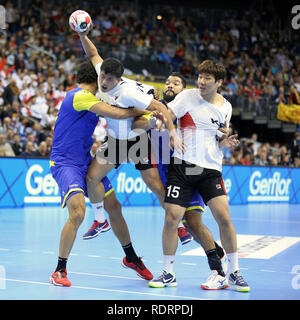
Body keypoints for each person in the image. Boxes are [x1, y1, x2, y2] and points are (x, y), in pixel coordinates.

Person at [76, 27, 188, 245]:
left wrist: (172, 133)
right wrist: (83, 36)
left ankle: (180, 227)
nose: (104, 82)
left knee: (155, 186)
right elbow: (93, 55)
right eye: (102, 76)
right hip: (116, 142)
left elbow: (161, 107)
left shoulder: (128, 92)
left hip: (137, 140)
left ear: (119, 80)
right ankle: (100, 220)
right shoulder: (102, 74)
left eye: (109, 79)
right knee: (91, 178)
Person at [49, 60, 154, 287]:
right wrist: (149, 107)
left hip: (84, 159)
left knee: (114, 207)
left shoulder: (95, 98)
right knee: (77, 213)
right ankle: (59, 270)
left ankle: (132, 258)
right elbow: (116, 114)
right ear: (97, 79)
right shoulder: (80, 96)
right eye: (103, 77)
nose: (106, 81)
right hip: (65, 164)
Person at [148, 60, 250, 292]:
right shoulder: (187, 97)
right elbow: (167, 114)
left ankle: (234, 272)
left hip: (211, 169)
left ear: (219, 83)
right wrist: (169, 130)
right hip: (182, 167)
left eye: (207, 79)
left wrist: (225, 142)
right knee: (172, 218)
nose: (201, 82)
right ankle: (168, 272)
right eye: (200, 77)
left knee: (224, 218)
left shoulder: (226, 106)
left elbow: (217, 136)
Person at [132, 72, 229, 290]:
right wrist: (153, 119)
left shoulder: (189, 108)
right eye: (167, 82)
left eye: (176, 83)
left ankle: (217, 264)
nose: (169, 85)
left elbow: (214, 132)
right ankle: (174, 270)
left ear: (184, 90)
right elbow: (135, 124)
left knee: (193, 221)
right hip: (167, 171)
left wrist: (224, 135)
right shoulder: (154, 107)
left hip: (189, 169)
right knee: (175, 219)